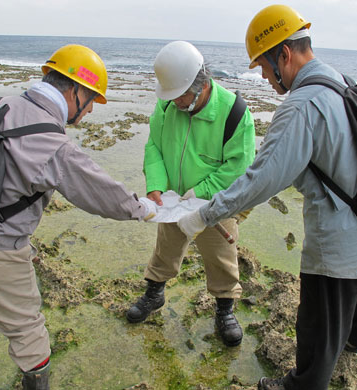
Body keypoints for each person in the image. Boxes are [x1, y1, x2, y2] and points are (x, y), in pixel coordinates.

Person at [177, 5, 357, 390]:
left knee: (316, 329)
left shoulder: (301, 106)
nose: (263, 78)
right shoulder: (343, 82)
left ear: (285, 55)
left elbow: (261, 180)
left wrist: (204, 215)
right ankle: (353, 346)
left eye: (263, 66)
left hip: (339, 247)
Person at [0, 44, 155, 390]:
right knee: (25, 328)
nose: (92, 109)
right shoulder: (51, 142)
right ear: (75, 90)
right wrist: (142, 209)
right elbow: (99, 192)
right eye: (92, 97)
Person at [126, 41, 256, 348]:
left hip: (214, 204)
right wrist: (156, 184)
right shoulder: (168, 103)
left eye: (181, 97)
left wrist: (200, 193)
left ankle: (224, 309)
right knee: (165, 249)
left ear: (202, 85)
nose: (176, 103)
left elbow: (239, 167)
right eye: (170, 97)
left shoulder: (235, 113)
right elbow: (154, 146)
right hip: (172, 200)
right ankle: (154, 294)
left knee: (222, 257)